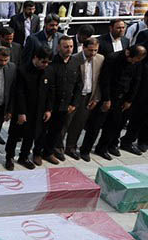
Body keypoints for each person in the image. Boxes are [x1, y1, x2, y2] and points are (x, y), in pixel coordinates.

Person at [86, 45, 147, 160]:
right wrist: (106, 99)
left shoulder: (137, 63)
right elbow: (105, 80)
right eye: (134, 59)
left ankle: (102, 148)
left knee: (113, 125)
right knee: (95, 125)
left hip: (122, 98)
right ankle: (86, 150)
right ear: (128, 53)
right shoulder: (113, 58)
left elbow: (136, 81)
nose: (134, 62)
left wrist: (129, 100)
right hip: (108, 96)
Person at [35, 36, 81, 165]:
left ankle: (48, 152)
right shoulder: (51, 63)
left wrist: (74, 103)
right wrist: (47, 107)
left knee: (56, 131)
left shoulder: (75, 63)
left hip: (65, 106)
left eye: (71, 46)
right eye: (66, 47)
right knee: (42, 131)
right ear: (58, 47)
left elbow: (78, 84)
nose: (69, 49)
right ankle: (37, 153)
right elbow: (48, 87)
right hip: (50, 105)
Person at [6, 46, 53, 170]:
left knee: (31, 135)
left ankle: (24, 156)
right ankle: (9, 157)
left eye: (48, 62)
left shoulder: (47, 71)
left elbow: (49, 92)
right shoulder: (23, 70)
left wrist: (48, 109)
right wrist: (21, 112)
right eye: (43, 62)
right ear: (36, 58)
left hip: (38, 110)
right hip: (23, 110)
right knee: (15, 135)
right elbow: (19, 93)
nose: (45, 65)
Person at [64, 37, 104, 160]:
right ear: (84, 48)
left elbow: (98, 81)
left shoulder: (100, 59)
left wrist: (96, 98)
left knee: (79, 124)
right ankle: (56, 147)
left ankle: (71, 147)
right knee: (65, 124)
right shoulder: (74, 58)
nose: (93, 53)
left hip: (88, 96)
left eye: (95, 50)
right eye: (90, 50)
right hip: (72, 98)